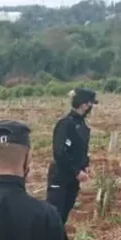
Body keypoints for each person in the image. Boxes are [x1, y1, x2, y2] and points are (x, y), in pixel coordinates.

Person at [47, 88, 98, 227]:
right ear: (84, 105)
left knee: (63, 216)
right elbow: (59, 152)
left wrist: (85, 166)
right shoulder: (65, 124)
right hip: (60, 176)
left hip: (72, 179)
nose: (91, 108)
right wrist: (76, 170)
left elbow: (81, 150)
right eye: (90, 104)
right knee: (54, 216)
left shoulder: (82, 126)